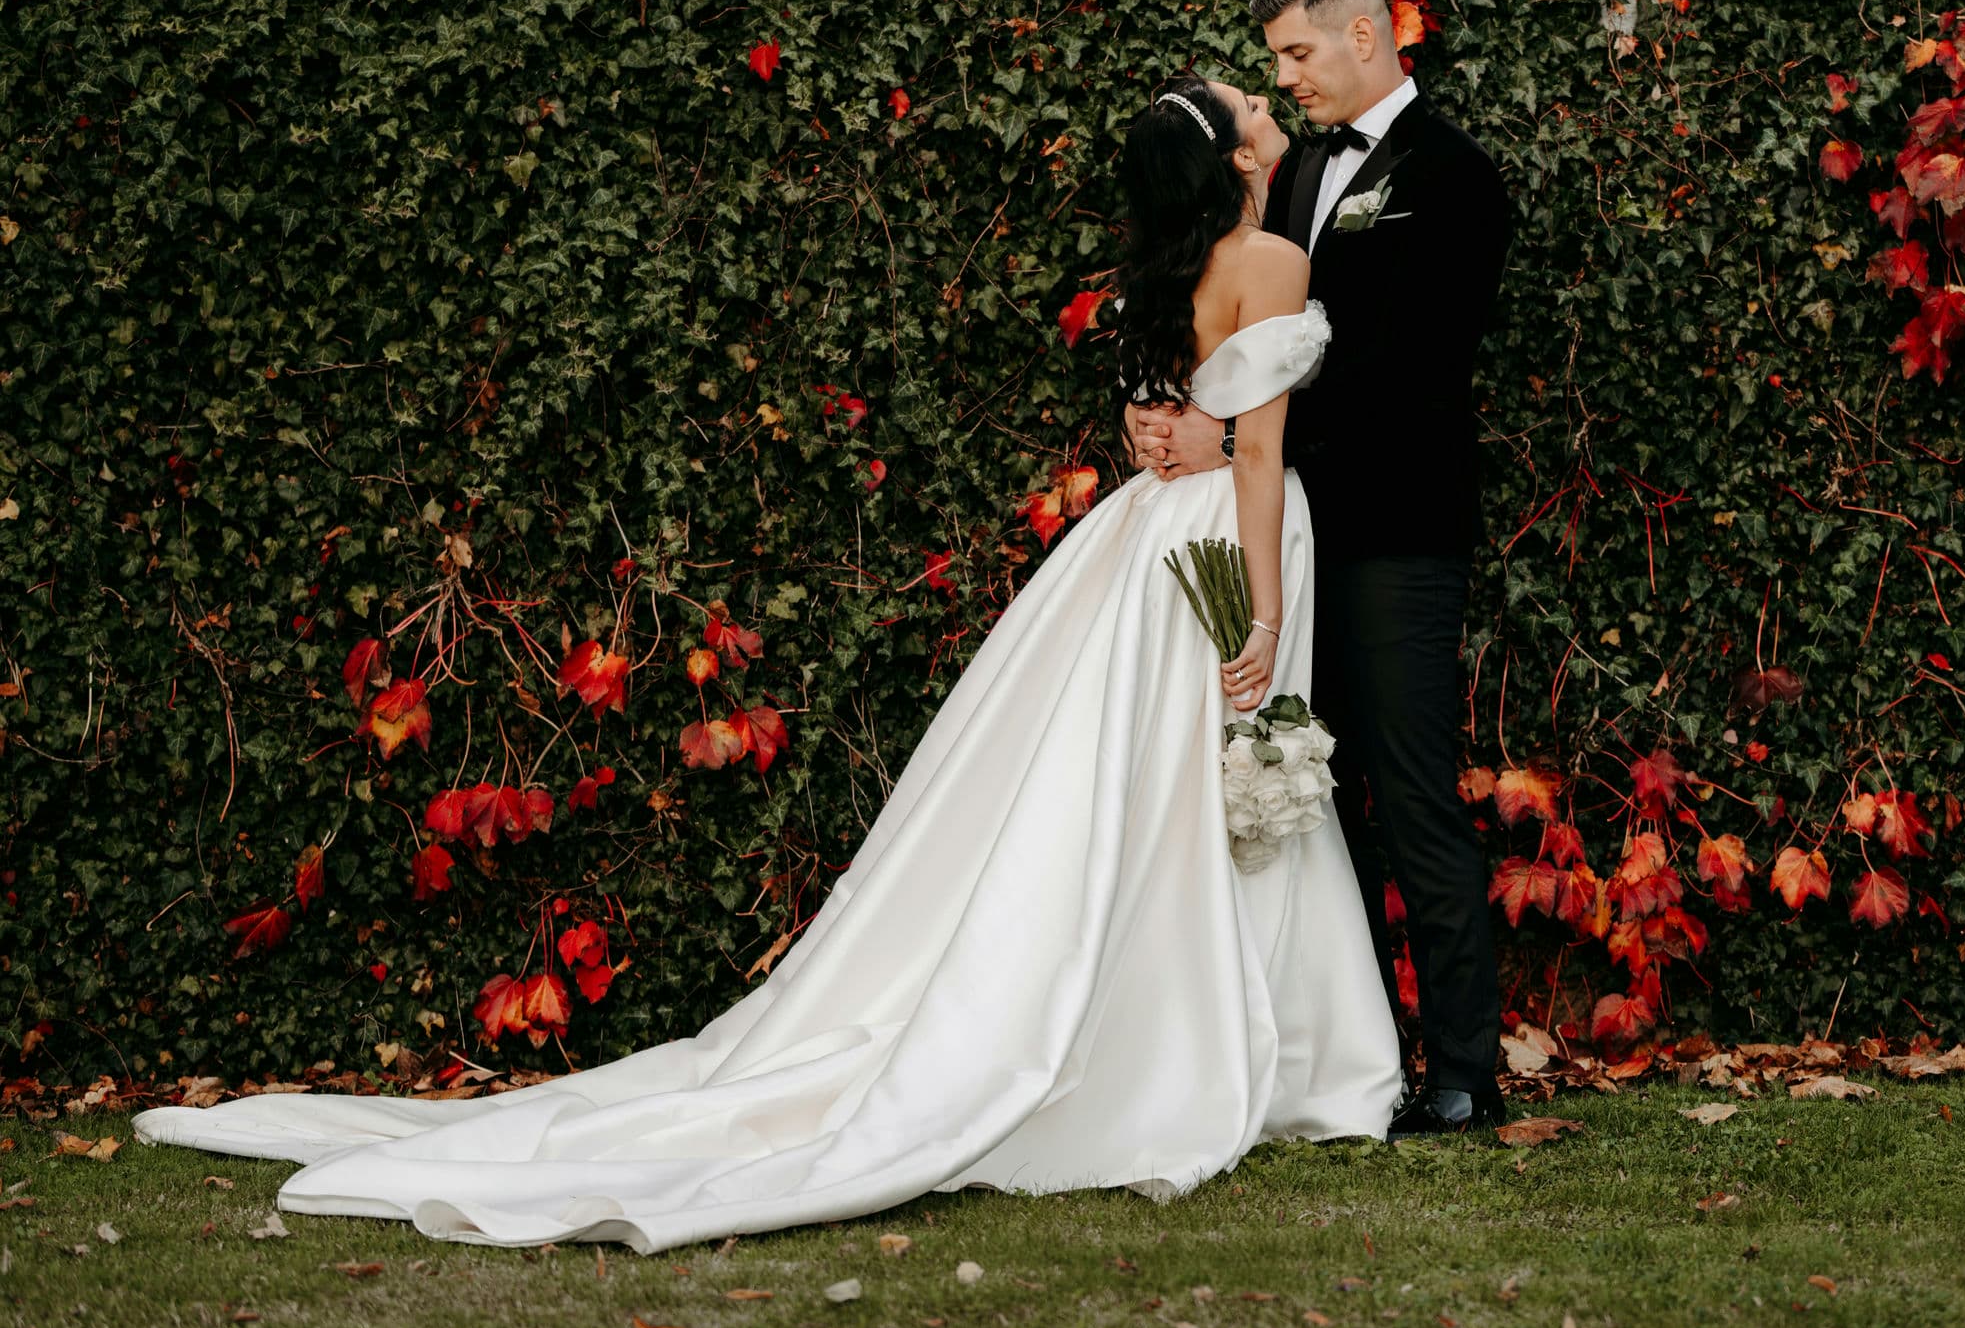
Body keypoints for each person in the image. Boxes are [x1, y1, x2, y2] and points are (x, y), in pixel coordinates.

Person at [130, 73, 1402, 1255]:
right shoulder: (1272, 258)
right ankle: (1214, 1045)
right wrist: (1260, 612)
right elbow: (1251, 447)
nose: (1264, 101)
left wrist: (1166, 424)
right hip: (1225, 534)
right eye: (1248, 101)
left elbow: (1173, 408)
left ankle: (1197, 1026)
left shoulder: (1161, 267)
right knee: (1200, 772)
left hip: (1141, 535)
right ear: (1236, 157)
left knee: (1161, 785)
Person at [1125, 0, 1513, 1136]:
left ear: (1363, 33)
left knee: (1410, 789)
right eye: (1274, 61)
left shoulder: (1456, 176)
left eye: (1296, 52)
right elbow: (1229, 321)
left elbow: (1411, 369)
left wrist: (1238, 430)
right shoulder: (1288, 180)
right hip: (1280, 539)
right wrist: (1176, 412)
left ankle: (1464, 1069)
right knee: (1304, 798)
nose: (1285, 77)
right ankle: (1346, 1060)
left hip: (1395, 533)